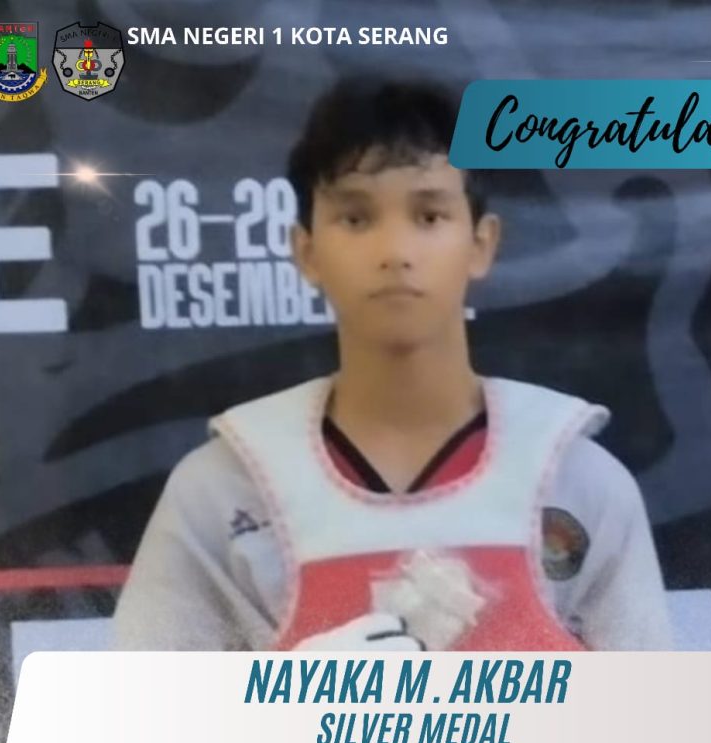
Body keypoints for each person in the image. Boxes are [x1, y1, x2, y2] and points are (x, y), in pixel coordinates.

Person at [114, 76, 672, 652]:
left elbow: (653, 708)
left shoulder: (581, 483)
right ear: (306, 250)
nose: (395, 252)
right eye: (356, 219)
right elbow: (141, 708)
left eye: (429, 217)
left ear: (481, 243)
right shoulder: (221, 492)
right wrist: (290, 694)